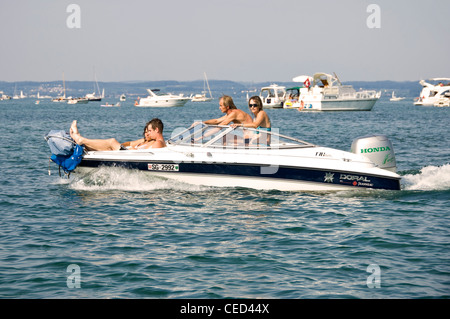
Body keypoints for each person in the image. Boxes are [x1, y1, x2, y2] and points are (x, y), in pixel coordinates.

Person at [69, 118, 166, 151]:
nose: (147, 133)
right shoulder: (149, 141)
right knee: (108, 147)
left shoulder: (159, 143)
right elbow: (131, 143)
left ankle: (81, 139)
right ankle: (80, 141)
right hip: (128, 153)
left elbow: (148, 156)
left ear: (156, 130)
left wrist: (134, 150)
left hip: (130, 155)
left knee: (112, 142)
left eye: (149, 131)